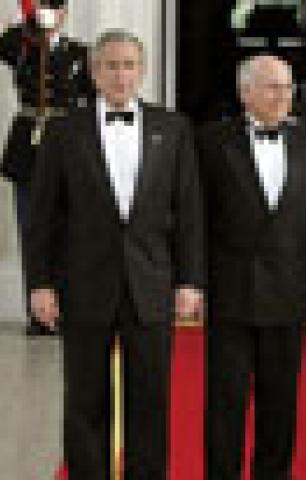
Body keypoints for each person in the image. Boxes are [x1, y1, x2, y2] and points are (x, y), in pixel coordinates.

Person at [27, 29, 204, 479]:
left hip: (151, 283)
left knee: (151, 399)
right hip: (83, 284)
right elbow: (42, 215)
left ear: (142, 71)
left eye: (129, 65)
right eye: (111, 65)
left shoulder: (174, 127)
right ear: (94, 72)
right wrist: (40, 283)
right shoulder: (65, 131)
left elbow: (188, 211)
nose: (121, 75)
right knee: (85, 399)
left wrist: (190, 281)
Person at [198, 54, 306, 480]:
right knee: (225, 404)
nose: (283, 95)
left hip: (289, 293)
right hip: (229, 293)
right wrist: (194, 283)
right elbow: (196, 219)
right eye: (273, 86)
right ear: (245, 93)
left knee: (280, 403)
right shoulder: (210, 142)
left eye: (288, 87)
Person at [0, 0, 94, 335]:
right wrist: (27, 27)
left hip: (66, 146)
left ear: (65, 12)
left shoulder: (80, 53)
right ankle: (38, 314)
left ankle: (66, 308)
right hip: (27, 148)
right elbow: (5, 46)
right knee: (32, 230)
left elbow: (92, 101)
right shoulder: (21, 46)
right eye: (41, 6)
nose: (48, 13)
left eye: (54, 6)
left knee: (68, 231)